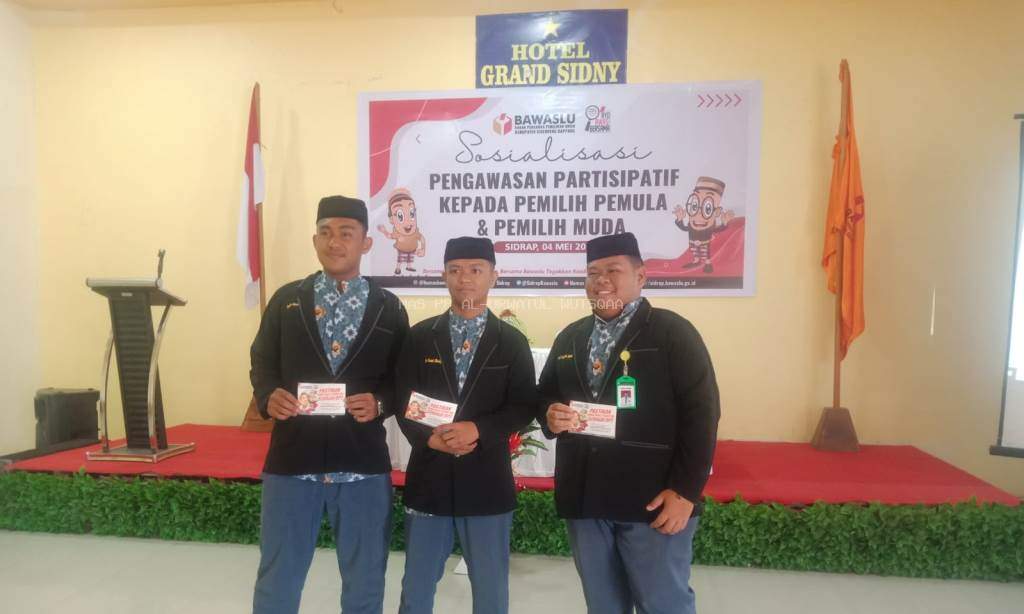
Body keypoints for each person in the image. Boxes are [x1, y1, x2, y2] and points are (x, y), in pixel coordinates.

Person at [538, 231, 720, 614]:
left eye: (613, 270)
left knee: (663, 603)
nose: (601, 280)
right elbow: (544, 396)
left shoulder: (672, 332)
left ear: (641, 276)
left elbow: (702, 414)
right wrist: (550, 413)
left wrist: (685, 492)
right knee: (603, 605)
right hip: (586, 500)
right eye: (592, 272)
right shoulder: (571, 338)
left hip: (652, 501)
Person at [249, 195, 409, 614]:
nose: (334, 242)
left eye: (346, 233)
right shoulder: (287, 300)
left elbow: (402, 379)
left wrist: (380, 402)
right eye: (325, 232)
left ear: (366, 243)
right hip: (292, 463)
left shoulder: (389, 308)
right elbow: (262, 360)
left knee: (365, 578)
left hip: (361, 465)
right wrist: (268, 395)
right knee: (278, 575)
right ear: (315, 240)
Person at [394, 236, 537, 614]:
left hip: (487, 484)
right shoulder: (420, 337)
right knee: (416, 586)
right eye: (455, 270)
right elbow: (402, 398)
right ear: (444, 276)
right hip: (429, 481)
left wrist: (480, 429)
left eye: (476, 270)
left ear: (493, 276)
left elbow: (523, 405)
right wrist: (428, 440)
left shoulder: (511, 342)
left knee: (490, 589)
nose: (465, 278)